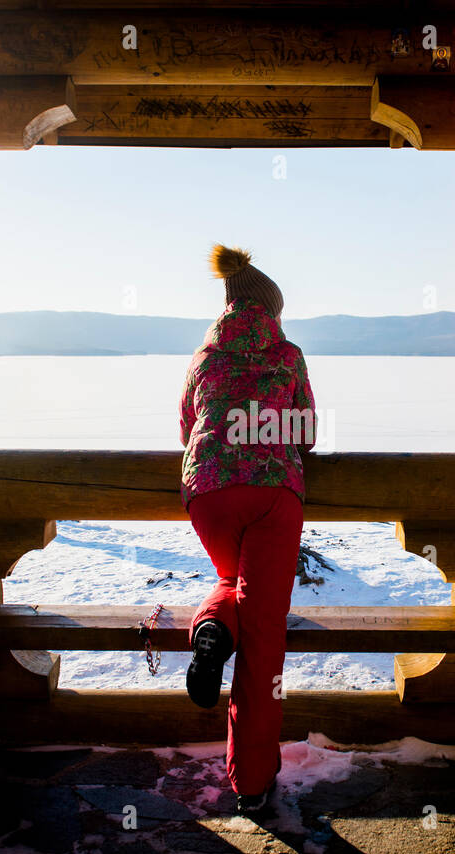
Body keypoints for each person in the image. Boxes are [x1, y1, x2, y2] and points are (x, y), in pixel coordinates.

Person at [178, 244, 317, 815]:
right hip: (271, 497)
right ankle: (252, 783)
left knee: (232, 580)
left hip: (208, 493)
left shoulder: (205, 356)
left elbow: (188, 424)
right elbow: (305, 431)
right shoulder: (287, 353)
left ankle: (210, 631)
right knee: (263, 643)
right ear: (270, 311)